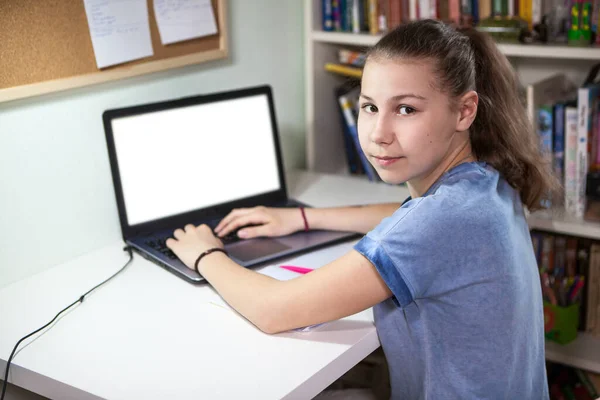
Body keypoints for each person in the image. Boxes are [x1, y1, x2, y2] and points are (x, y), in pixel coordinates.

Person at [166, 19, 553, 399]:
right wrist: (302, 217)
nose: (379, 134)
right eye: (369, 107)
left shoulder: (440, 220)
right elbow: (409, 215)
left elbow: (273, 310)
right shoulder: (487, 180)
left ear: (465, 111)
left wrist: (206, 253)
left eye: (406, 110)